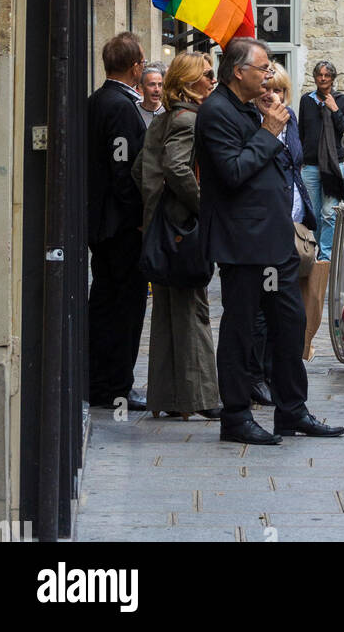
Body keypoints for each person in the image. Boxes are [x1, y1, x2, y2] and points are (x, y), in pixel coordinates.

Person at [196, 38, 344, 445]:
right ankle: (237, 416)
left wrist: (273, 127)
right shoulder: (216, 112)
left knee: (290, 324)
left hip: (275, 239)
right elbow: (232, 172)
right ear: (238, 72)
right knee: (241, 329)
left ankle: (292, 410)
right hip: (243, 244)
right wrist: (268, 131)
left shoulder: (251, 107)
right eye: (262, 68)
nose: (268, 75)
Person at [132, 52, 221, 420]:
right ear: (188, 84)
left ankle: (167, 398)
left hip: (162, 229)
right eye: (207, 75)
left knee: (169, 313)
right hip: (181, 231)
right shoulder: (187, 119)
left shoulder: (166, 117)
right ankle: (201, 399)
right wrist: (203, 208)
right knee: (192, 311)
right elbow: (177, 167)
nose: (213, 80)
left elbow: (141, 170)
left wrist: (154, 210)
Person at [248, 63, 321, 403]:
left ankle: (280, 377)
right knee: (264, 306)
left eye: (279, 89)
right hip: (265, 228)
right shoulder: (252, 122)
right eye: (267, 89)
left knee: (287, 306)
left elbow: (296, 166)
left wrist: (306, 215)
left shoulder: (289, 118)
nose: (273, 95)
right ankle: (257, 375)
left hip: (293, 224)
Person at [87, 32, 149, 410]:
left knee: (106, 301)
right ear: (136, 66)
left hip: (103, 223)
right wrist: (136, 217)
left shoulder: (97, 100)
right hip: (120, 226)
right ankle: (117, 385)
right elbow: (123, 167)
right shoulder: (120, 107)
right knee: (124, 306)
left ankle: (101, 379)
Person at [297, 60, 344, 261]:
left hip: (333, 163)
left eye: (327, 75)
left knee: (329, 213)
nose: (323, 79)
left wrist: (335, 109)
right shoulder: (306, 100)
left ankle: (326, 256)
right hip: (310, 165)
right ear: (315, 78)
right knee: (313, 212)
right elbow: (301, 130)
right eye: (319, 75)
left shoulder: (341, 100)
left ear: (332, 78)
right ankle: (317, 249)